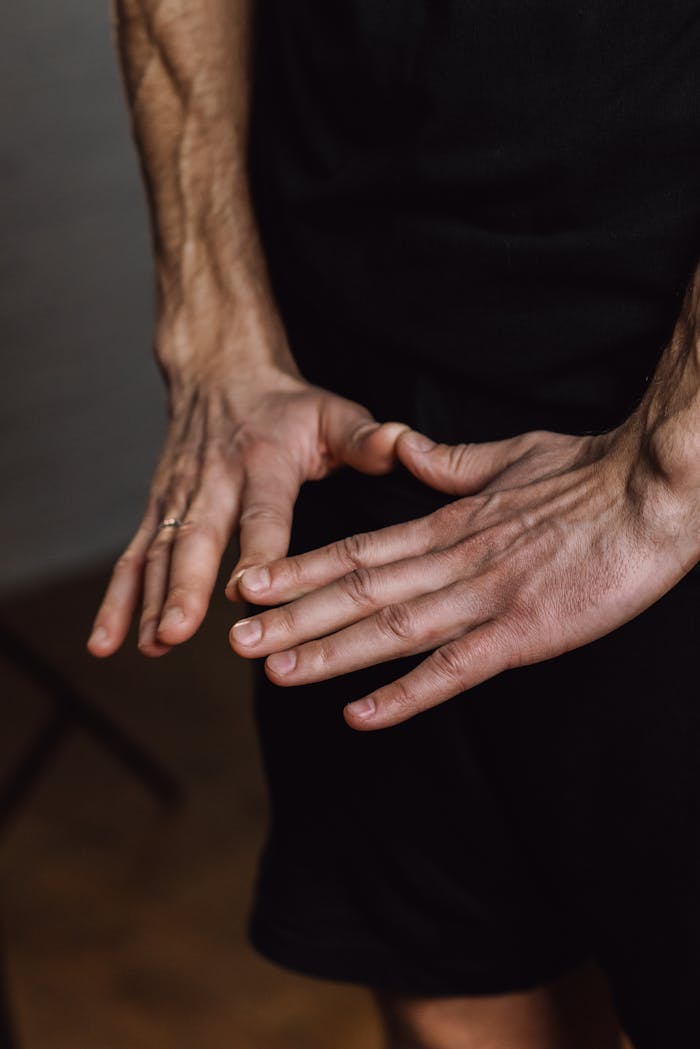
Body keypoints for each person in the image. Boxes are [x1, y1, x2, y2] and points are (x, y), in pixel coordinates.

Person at [88, 3, 700, 1046]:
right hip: (351, 377)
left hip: (657, 376)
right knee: (454, 991)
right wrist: (215, 323)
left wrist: (677, 455)